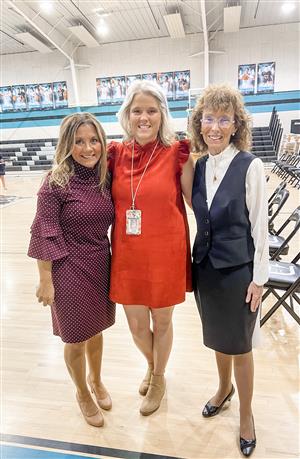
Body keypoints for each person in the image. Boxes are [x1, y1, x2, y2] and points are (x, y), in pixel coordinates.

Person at [190, 84, 268, 457]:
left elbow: (260, 228)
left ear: (236, 124)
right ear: (199, 123)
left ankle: (248, 415)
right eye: (209, 118)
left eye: (224, 119)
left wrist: (259, 278)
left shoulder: (250, 165)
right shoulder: (200, 165)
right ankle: (223, 390)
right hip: (205, 268)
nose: (215, 127)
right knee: (217, 338)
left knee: (241, 345)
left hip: (239, 271)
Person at [108, 80, 194, 416]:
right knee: (136, 326)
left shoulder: (177, 152)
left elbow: (195, 202)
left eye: (151, 111)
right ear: (127, 115)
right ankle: (153, 364)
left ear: (162, 115)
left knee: (163, 321)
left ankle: (158, 377)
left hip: (166, 253)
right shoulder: (115, 154)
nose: (144, 117)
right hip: (128, 254)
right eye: (137, 110)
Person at [28, 113, 115, 428]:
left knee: (96, 330)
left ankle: (97, 379)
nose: (88, 148)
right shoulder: (55, 181)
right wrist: (45, 280)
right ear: (67, 144)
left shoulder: (104, 176)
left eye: (94, 140)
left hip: (100, 264)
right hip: (67, 269)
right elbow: (43, 230)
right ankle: (82, 392)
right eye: (79, 141)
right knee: (76, 338)